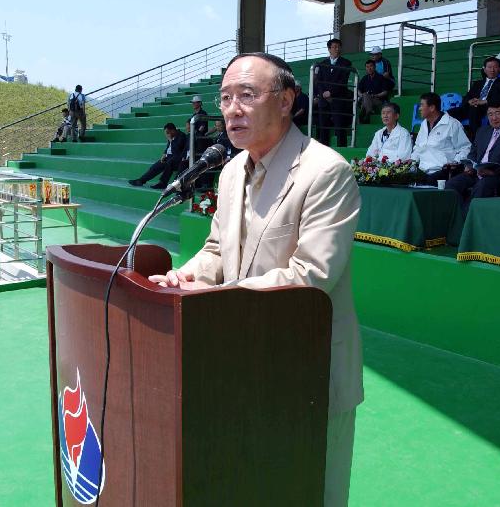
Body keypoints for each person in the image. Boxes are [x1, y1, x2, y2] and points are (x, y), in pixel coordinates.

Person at [150, 52, 363, 507]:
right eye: (225, 98)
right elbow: (216, 250)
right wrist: (184, 277)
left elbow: (311, 276)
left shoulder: (326, 173)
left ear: (286, 101)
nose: (231, 109)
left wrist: (215, 298)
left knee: (310, 491)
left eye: (247, 95)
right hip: (242, 365)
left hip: (308, 371)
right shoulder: (229, 173)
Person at [445, 101, 500, 210]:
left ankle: (466, 219)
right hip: (475, 172)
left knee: (482, 187)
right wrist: (469, 165)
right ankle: (458, 217)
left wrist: (493, 171)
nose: (494, 118)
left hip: (495, 175)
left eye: (498, 113)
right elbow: (473, 152)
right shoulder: (482, 131)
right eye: (490, 114)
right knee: (451, 184)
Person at [409, 92, 471, 182]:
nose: (419, 109)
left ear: (432, 108)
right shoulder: (423, 124)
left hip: (442, 171)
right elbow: (418, 147)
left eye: (422, 105)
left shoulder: (452, 124)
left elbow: (465, 148)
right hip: (422, 171)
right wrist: (413, 159)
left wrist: (455, 162)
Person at [447, 57, 500, 139]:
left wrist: (484, 101)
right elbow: (467, 96)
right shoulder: (478, 83)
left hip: (488, 107)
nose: (492, 70)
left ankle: (475, 139)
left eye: (495, 67)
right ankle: (452, 138)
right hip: (471, 106)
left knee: (474, 110)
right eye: (489, 67)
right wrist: (469, 101)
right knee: (449, 113)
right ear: (484, 69)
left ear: (499, 69)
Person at [313, 38, 353, 147]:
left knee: (340, 126)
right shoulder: (322, 64)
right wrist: (323, 94)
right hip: (323, 100)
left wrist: (331, 92)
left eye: (338, 46)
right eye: (334, 47)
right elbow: (318, 81)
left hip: (338, 98)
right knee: (323, 127)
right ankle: (324, 151)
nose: (337, 49)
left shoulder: (346, 63)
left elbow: (343, 81)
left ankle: (342, 150)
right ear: (329, 49)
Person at [129, 122, 188, 189]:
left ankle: (162, 183)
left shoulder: (181, 136)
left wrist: (171, 140)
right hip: (169, 157)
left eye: (168, 132)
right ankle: (141, 181)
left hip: (177, 159)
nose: (167, 134)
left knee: (169, 163)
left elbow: (176, 151)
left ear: (173, 130)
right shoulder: (171, 135)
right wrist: (164, 154)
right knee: (156, 165)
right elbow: (168, 148)